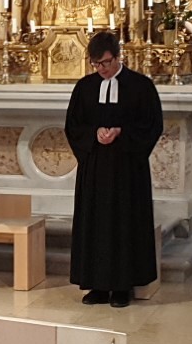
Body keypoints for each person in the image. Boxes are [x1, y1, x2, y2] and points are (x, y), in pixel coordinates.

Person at [64, 31, 163, 308]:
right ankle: (96, 285)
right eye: (96, 64)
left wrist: (121, 132)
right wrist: (94, 134)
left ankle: (122, 286)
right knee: (95, 224)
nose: (101, 68)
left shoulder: (141, 86)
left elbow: (152, 124)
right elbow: (73, 125)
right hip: (95, 169)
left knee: (124, 223)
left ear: (118, 57)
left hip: (127, 169)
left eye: (106, 62)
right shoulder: (84, 87)